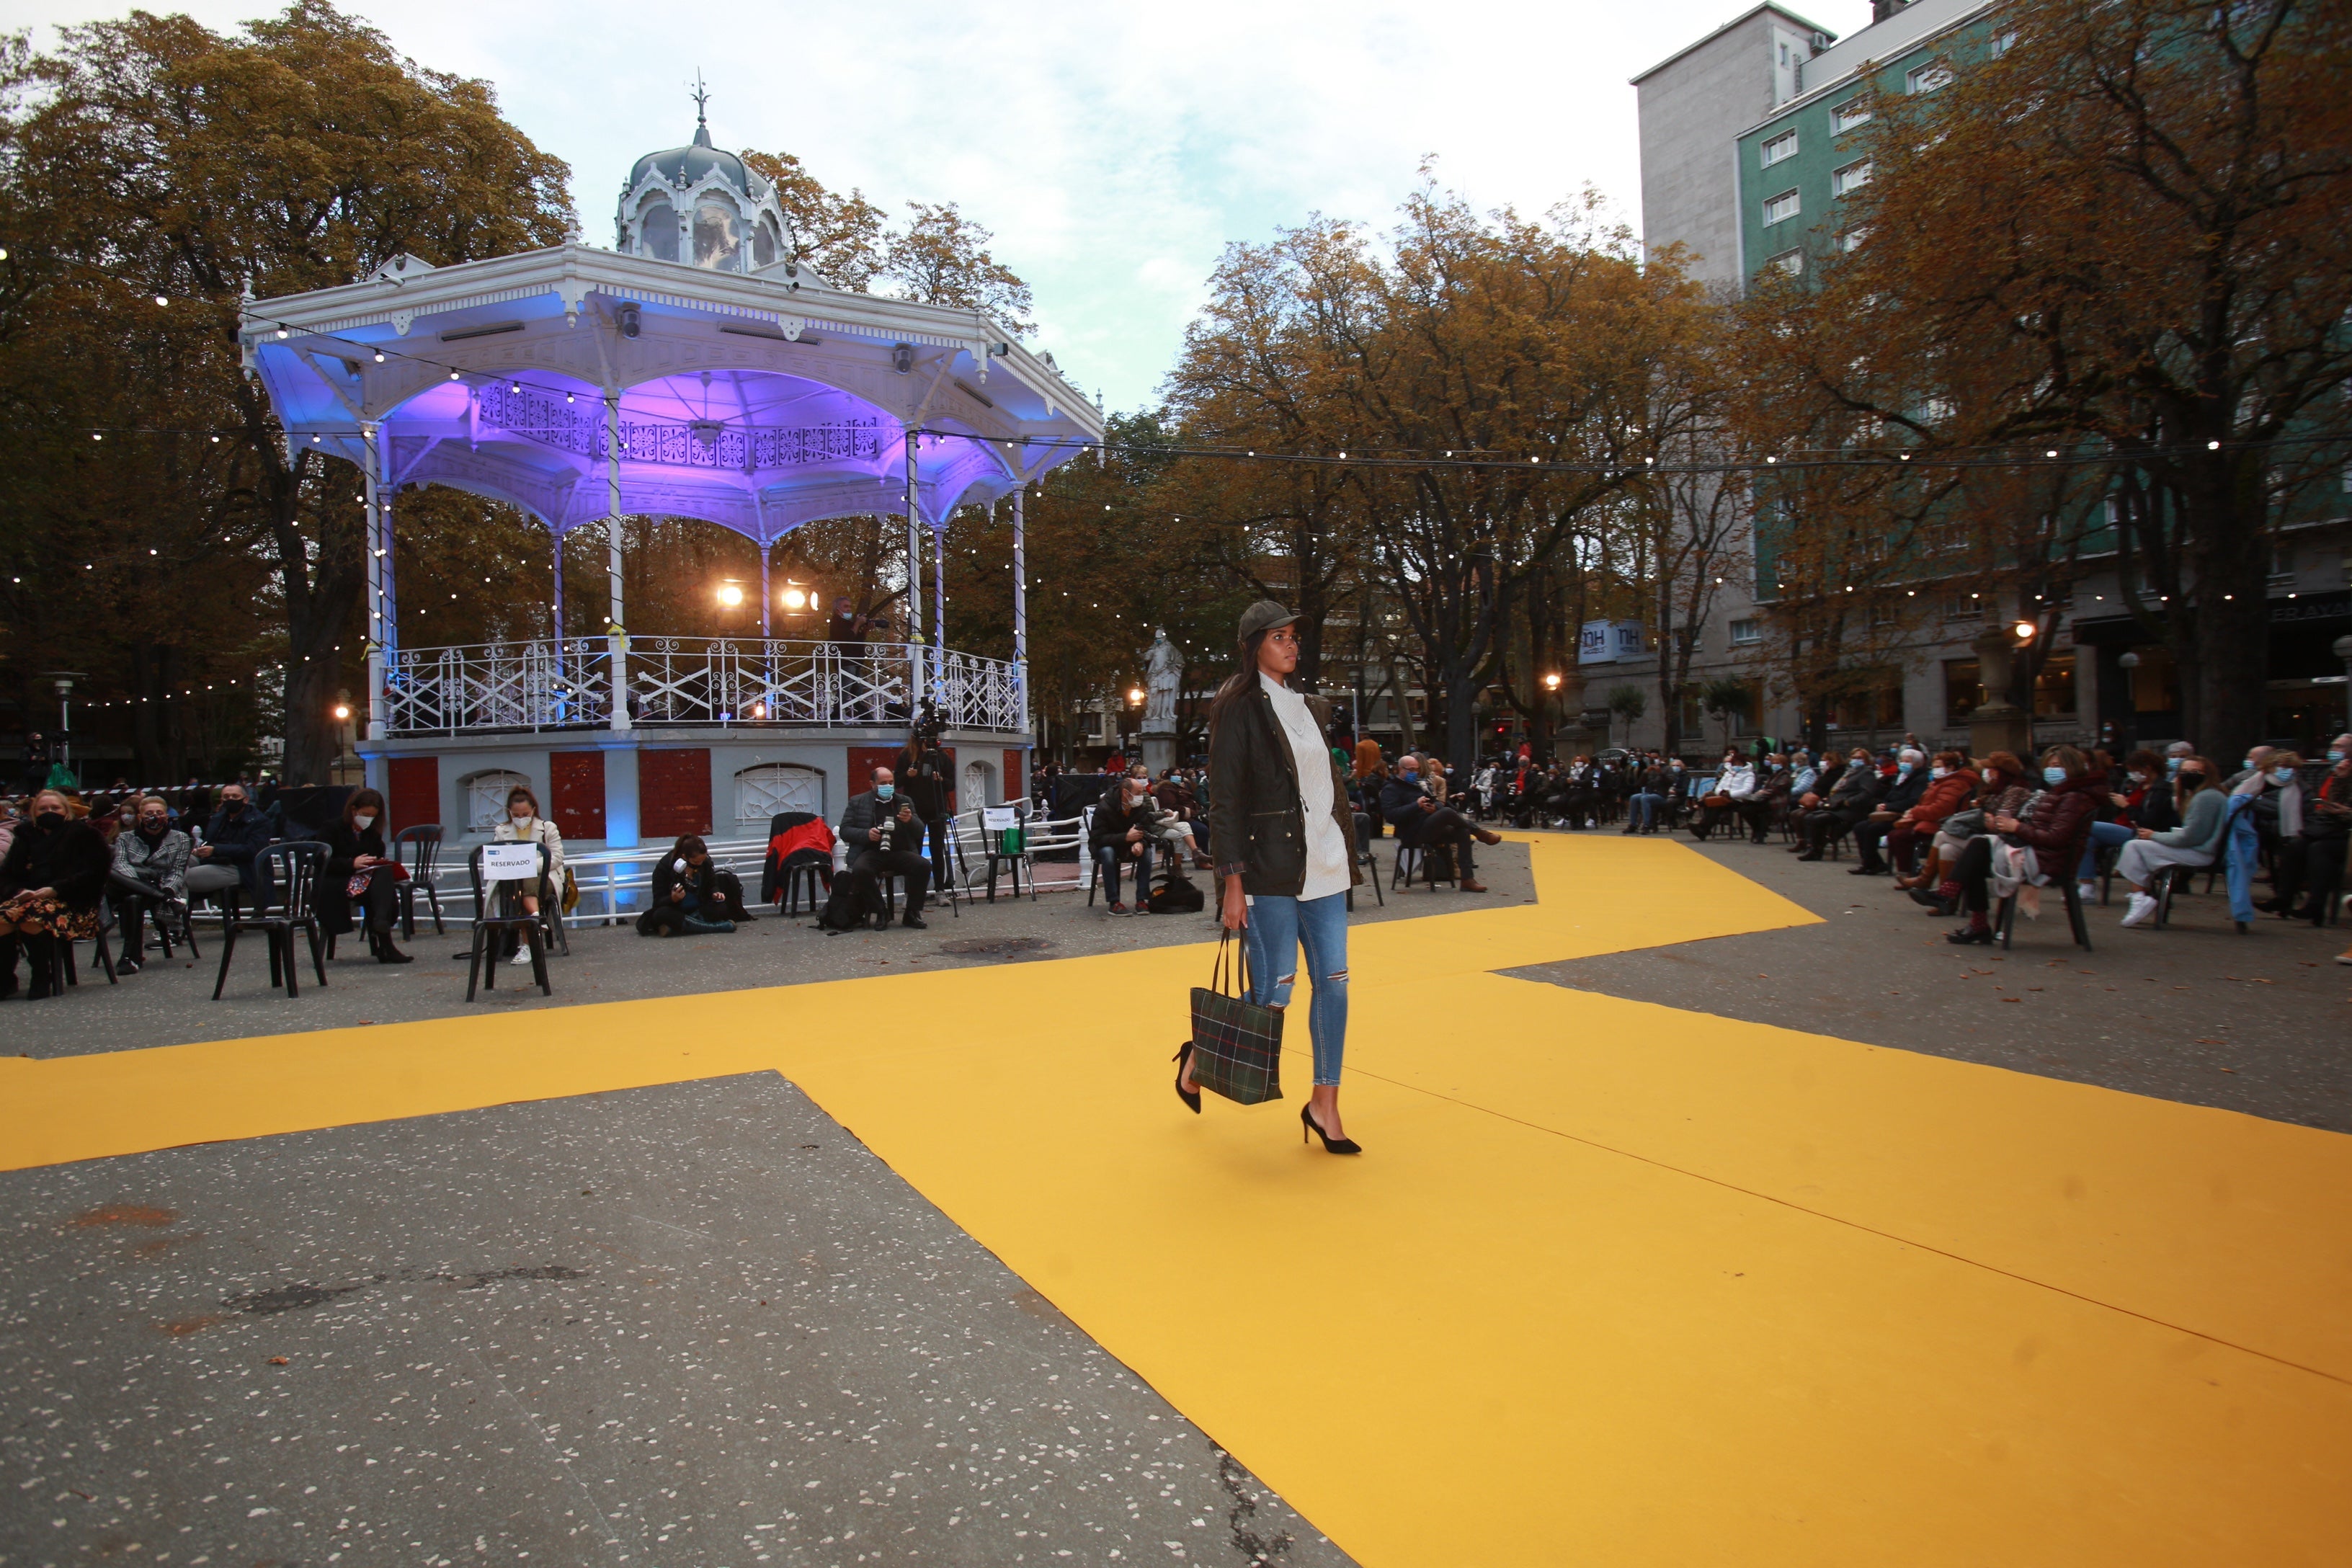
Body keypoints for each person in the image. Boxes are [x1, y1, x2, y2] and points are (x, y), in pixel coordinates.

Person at [1182, 600, 1365, 1153]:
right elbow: (1227, 801)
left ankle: (1324, 1104)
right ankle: (1200, 1054)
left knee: (1334, 983)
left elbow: (1322, 788)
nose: (1291, 645)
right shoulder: (1239, 708)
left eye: (1293, 637)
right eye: (1278, 636)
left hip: (1325, 865)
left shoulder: (1307, 706)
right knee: (1272, 993)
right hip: (1269, 870)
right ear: (1253, 644)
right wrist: (1231, 881)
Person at [1941, 746, 2103, 945]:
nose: (2052, 770)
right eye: (2050, 766)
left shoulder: (2074, 798)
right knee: (1976, 851)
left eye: (2058, 766)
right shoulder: (2062, 793)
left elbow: (2056, 838)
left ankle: (1953, 898)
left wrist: (2016, 828)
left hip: (2048, 860)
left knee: (1977, 849)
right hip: (2037, 852)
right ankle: (1969, 915)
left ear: (2072, 767)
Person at [0, 788, 111, 999]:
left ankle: (42, 975)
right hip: (27, 899)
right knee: (2, 918)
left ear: (66, 811)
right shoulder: (24, 835)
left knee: (32, 917)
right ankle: (5, 978)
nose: (48, 811)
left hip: (73, 902)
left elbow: (95, 872)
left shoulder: (84, 834)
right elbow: (7, 874)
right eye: (42, 809)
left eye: (54, 808)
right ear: (33, 813)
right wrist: (19, 891)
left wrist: (56, 889)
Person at [2115, 755, 2230, 927]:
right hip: (2199, 849)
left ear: (2208, 774)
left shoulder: (2206, 797)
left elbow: (2190, 837)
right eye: (2184, 772)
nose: (2188, 775)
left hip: (2201, 852)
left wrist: (2154, 836)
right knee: (2137, 846)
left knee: (2134, 846)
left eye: (2195, 771)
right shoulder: (2203, 795)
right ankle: (2141, 896)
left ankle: (2140, 897)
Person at [313, 787, 411, 963]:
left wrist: (374, 862)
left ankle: (381, 922)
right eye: (364, 814)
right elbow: (321, 861)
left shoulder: (371, 834)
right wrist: (352, 863)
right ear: (353, 810)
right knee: (382, 886)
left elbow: (377, 853)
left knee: (384, 871)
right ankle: (384, 938)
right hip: (337, 881)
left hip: (364, 882)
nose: (367, 820)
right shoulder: (331, 828)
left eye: (372, 817)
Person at [1380, 752, 1501, 892]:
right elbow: (1391, 816)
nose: (1415, 773)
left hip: (1429, 826)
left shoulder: (1420, 784)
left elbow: (1437, 803)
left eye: (1417, 769)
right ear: (1399, 770)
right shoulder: (1391, 789)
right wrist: (1416, 805)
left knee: (1462, 831)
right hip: (1411, 832)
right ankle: (1480, 833)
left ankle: (1467, 879)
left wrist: (1433, 808)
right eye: (1411, 770)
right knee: (1447, 813)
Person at [2264, 737, 2350, 925]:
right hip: (2333, 827)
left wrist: (2346, 813)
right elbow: (2331, 800)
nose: (2335, 751)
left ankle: (2315, 905)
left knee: (2319, 849)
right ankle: (2283, 899)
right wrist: (2340, 779)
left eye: (2340, 748)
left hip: (2347, 834)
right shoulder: (2339, 774)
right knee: (2297, 844)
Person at [836, 767, 930, 930]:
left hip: (898, 851)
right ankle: (880, 910)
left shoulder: (904, 801)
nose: (888, 786)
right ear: (873, 784)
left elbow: (920, 830)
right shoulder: (857, 802)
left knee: (923, 865)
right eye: (883, 783)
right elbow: (845, 831)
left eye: (891, 783)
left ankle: (912, 912)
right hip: (871, 852)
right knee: (860, 870)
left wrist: (910, 821)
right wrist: (866, 834)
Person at [110, 795, 192, 972]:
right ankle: (131, 957)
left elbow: (178, 870)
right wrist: (137, 880)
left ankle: (129, 957)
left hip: (163, 887)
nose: (154, 817)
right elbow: (121, 864)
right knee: (115, 877)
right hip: (129, 883)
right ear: (140, 817)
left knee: (134, 899)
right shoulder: (125, 838)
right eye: (148, 813)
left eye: (159, 813)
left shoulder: (181, 838)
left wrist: (168, 889)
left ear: (167, 816)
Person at [491, 785, 569, 964]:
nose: (521, 819)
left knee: (523, 882)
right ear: (509, 812)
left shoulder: (547, 828)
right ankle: (535, 918)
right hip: (513, 880)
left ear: (533, 810)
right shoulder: (501, 831)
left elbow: (557, 857)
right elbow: (496, 858)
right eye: (516, 815)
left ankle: (528, 942)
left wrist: (527, 865)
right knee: (518, 885)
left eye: (525, 814)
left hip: (544, 877)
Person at [1889, 752, 1977, 886]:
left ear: (1951, 768)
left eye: (1938, 766)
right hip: (1931, 821)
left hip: (1942, 824)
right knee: (1895, 834)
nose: (1935, 770)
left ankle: (1918, 877)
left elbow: (1939, 810)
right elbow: (1925, 803)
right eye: (1934, 767)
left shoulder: (1954, 785)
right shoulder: (1940, 782)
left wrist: (1915, 812)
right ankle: (1917, 876)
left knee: (1899, 836)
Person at [184, 782, 275, 909]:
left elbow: (252, 850)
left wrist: (216, 850)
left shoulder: (259, 821)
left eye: (235, 796)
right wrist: (201, 850)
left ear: (246, 800)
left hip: (242, 867)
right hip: (215, 860)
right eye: (226, 797)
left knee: (184, 877)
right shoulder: (218, 818)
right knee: (177, 863)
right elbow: (210, 841)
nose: (230, 800)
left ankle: (179, 918)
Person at [638, 834, 748, 936]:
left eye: (702, 861)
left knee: (721, 908)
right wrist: (672, 898)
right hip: (676, 910)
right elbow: (658, 902)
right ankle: (717, 927)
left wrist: (715, 893)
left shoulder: (705, 864)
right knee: (661, 914)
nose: (699, 865)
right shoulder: (664, 868)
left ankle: (680, 928)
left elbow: (712, 884)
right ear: (684, 857)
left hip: (698, 909)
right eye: (695, 863)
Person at [1090, 770, 1166, 913]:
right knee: (1108, 852)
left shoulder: (1140, 806)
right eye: (1138, 792)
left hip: (1129, 844)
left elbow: (1145, 829)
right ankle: (1114, 902)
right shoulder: (1104, 807)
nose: (1141, 796)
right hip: (1107, 845)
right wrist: (1126, 837)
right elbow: (1097, 838)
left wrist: (1140, 842)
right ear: (1126, 793)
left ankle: (1142, 900)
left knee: (1147, 852)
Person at [1795, 747, 1888, 860]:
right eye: (1854, 757)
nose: (1856, 760)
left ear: (1866, 760)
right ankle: (1814, 848)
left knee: (1817, 819)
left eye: (1860, 758)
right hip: (1836, 805)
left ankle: (1818, 848)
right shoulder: (1850, 772)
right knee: (1810, 817)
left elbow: (1866, 794)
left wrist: (1848, 801)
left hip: (1850, 809)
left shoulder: (1866, 773)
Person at [1850, 748, 1930, 875]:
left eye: (1907, 761)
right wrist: (1882, 805)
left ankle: (1871, 864)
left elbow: (1914, 800)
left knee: (1873, 829)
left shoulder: (1921, 779)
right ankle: (1873, 862)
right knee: (1860, 827)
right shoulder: (1902, 776)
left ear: (1917, 763)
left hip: (1903, 815)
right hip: (1890, 812)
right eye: (1902, 761)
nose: (1903, 764)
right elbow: (1890, 795)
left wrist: (1890, 806)